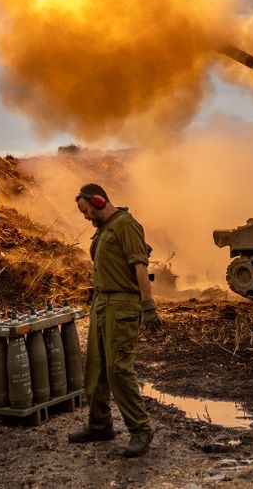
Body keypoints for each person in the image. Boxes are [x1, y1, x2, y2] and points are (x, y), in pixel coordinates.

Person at [68, 183, 163, 458]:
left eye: (86, 211)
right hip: (101, 304)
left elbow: (140, 267)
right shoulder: (104, 229)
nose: (86, 217)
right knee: (95, 369)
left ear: (99, 202)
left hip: (122, 306)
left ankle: (140, 430)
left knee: (118, 370)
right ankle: (100, 425)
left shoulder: (126, 225)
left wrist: (148, 307)